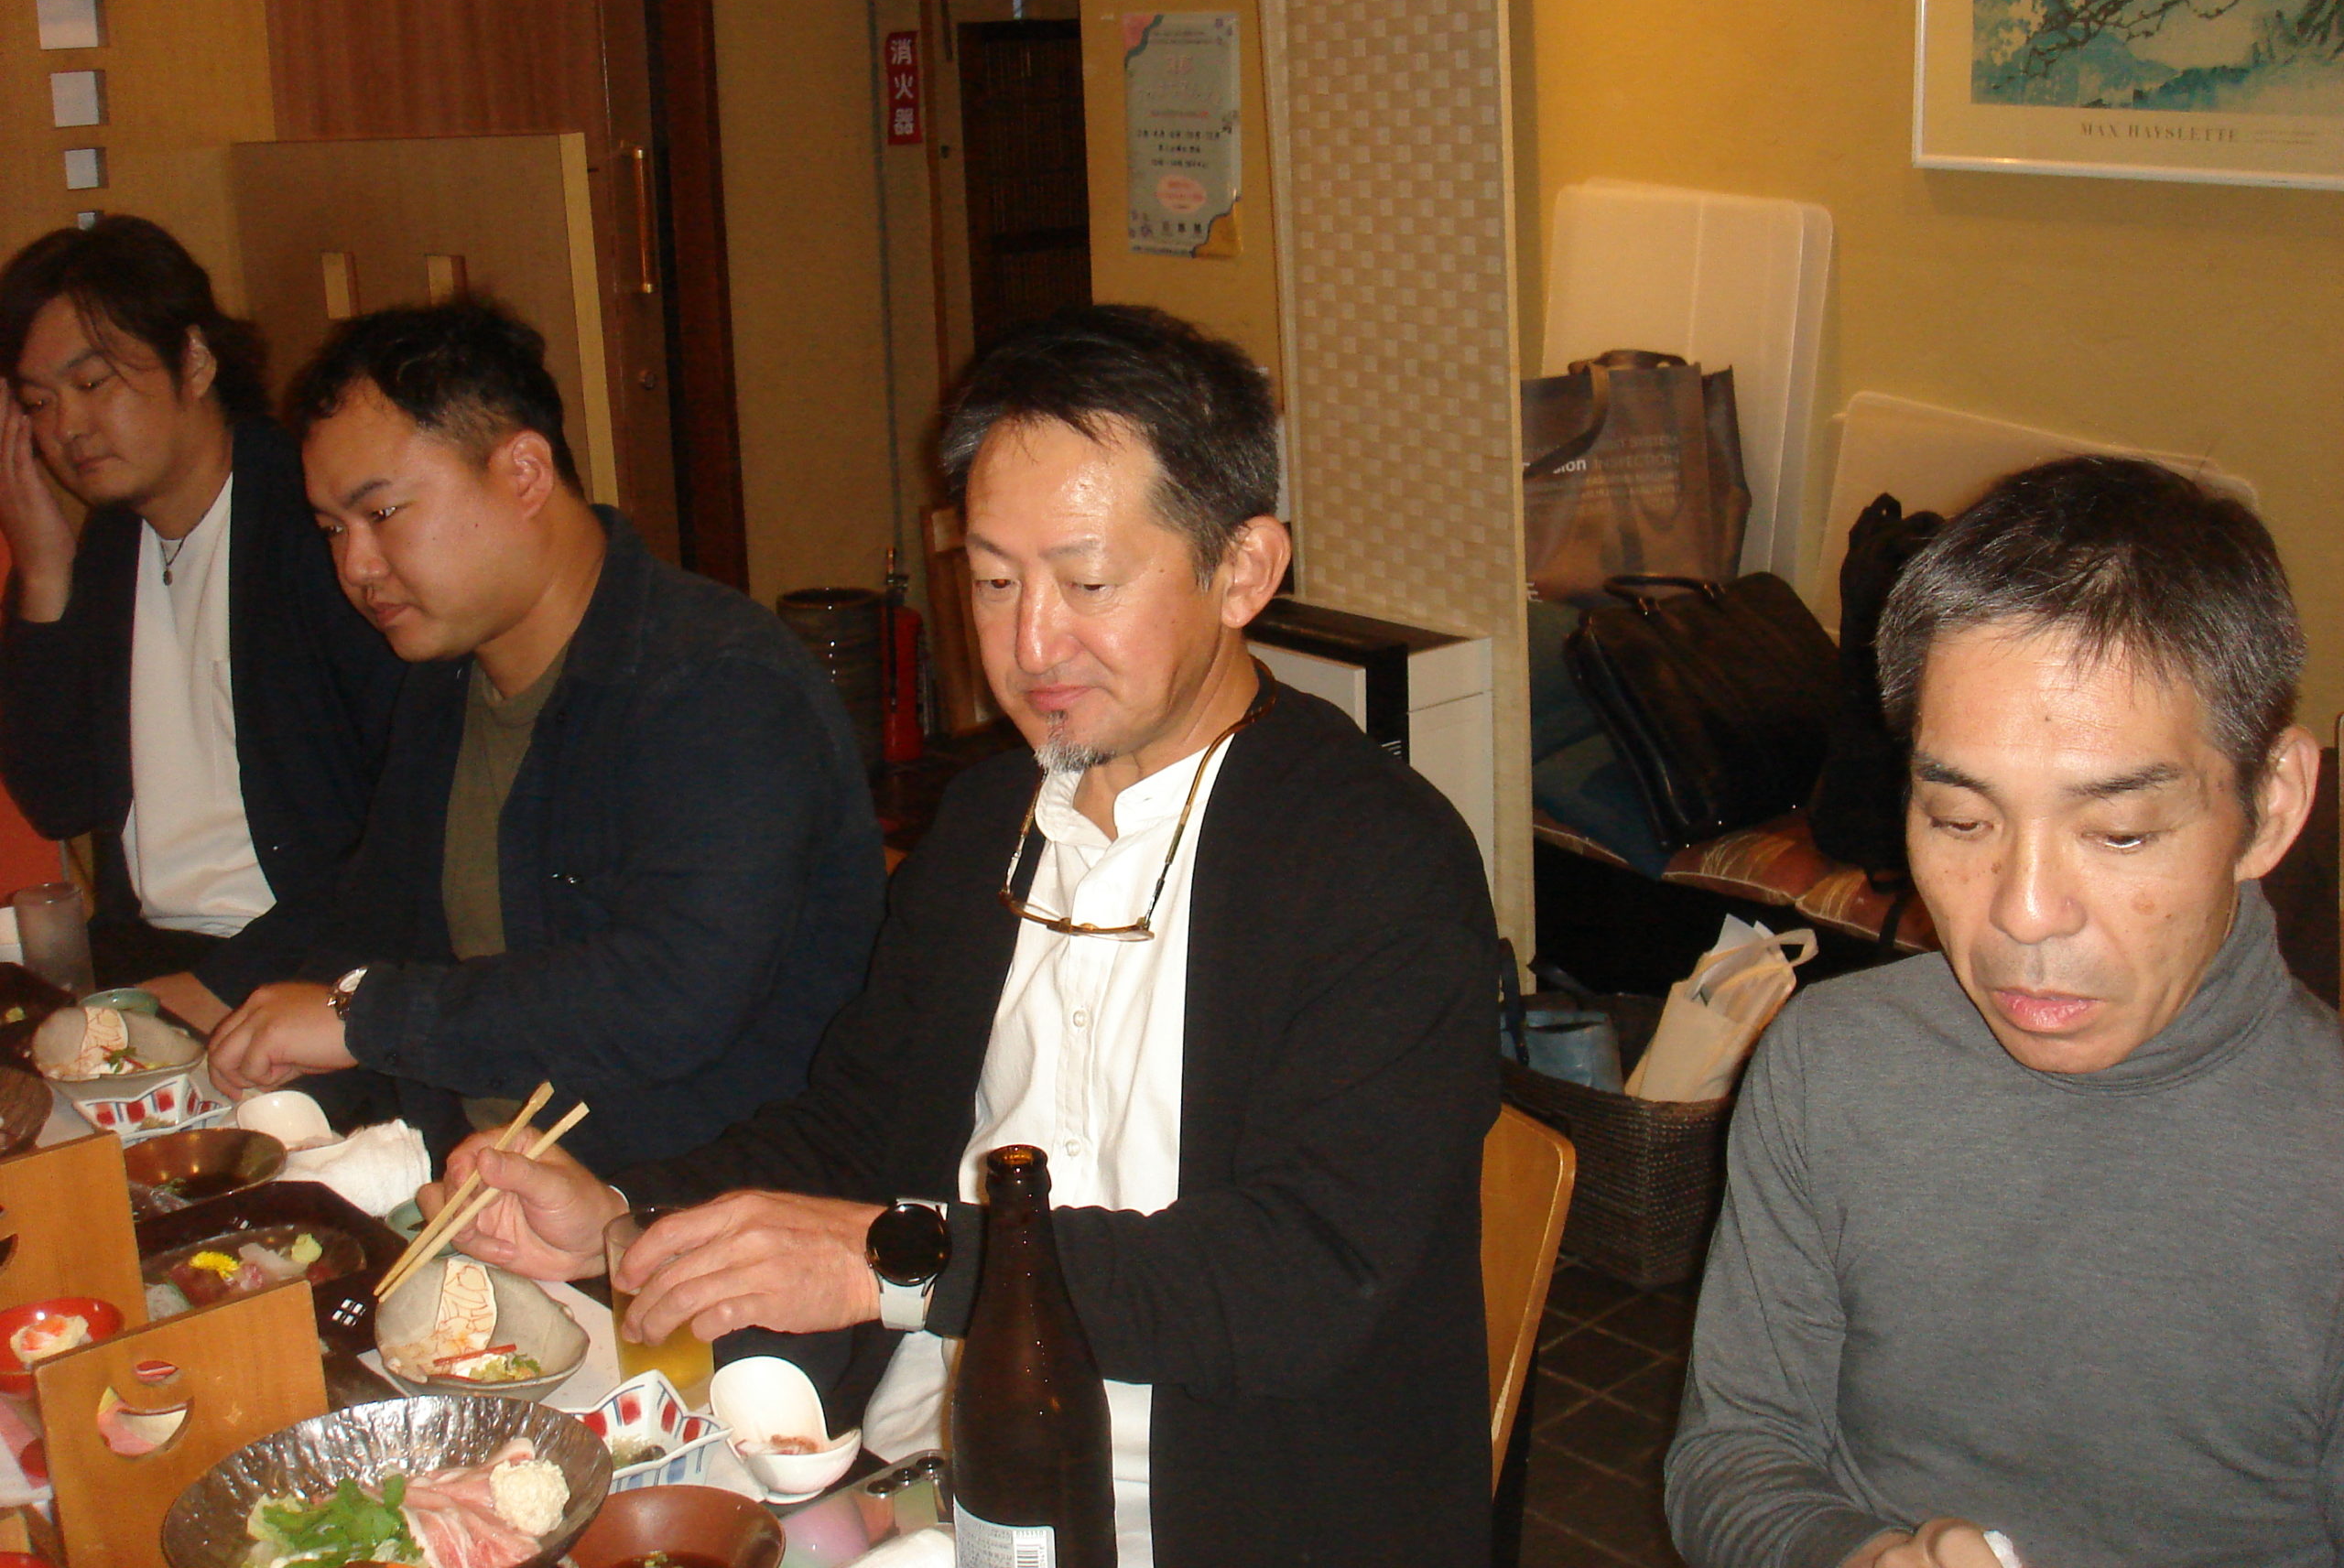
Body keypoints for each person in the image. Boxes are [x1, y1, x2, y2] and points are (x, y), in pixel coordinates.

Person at [427, 305, 1499, 1565]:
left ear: (1243, 570)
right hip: (929, 1479)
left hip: (1211, 1512)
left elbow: (1298, 1278)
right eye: (993, 581)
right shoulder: (993, 819)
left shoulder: (1377, 863)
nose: (1029, 644)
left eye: (1087, 583)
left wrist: (902, 1265)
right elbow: (858, 1122)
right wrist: (622, 1208)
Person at [1665, 456, 2336, 1568]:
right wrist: (1854, 1556)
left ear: (2268, 807)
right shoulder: (1830, 1067)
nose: (2021, 914)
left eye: (2118, 833)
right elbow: (1737, 1454)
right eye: (1960, 820)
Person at [199, 297, 886, 1172]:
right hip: (469, 1172)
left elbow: (671, 998)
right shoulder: (448, 677)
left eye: (383, 515)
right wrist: (265, 1043)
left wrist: (358, 1018)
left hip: (673, 1199)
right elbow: (374, 918)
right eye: (333, 530)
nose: (356, 567)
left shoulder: (717, 683)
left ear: (524, 474)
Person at [0, 216, 403, 1000]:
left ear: (193, 360)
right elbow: (59, 799)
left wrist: (215, 989)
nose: (66, 428)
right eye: (38, 403)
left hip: (308, 965)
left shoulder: (315, 527)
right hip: (149, 959)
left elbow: (405, 832)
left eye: (92, 384)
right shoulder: (114, 541)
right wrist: (44, 570)